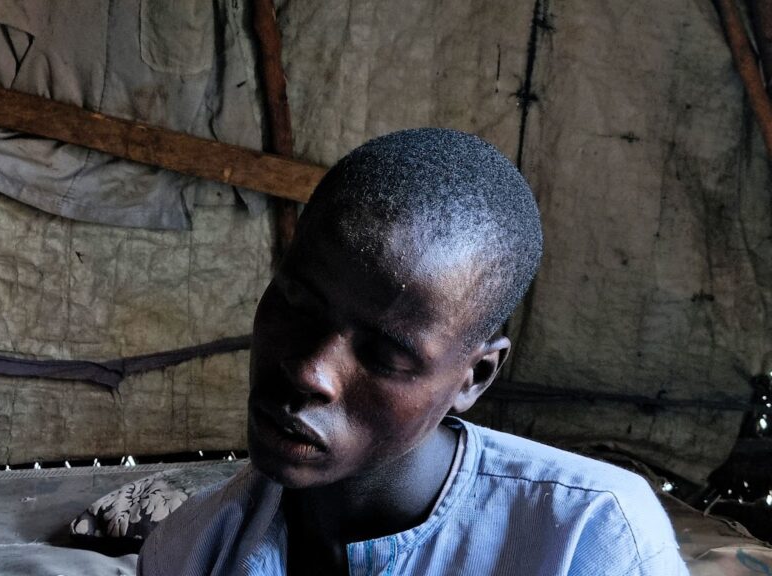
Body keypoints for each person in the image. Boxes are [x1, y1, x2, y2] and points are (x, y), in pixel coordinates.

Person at [137, 128, 688, 575]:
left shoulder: (592, 538)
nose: (309, 371)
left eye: (385, 352)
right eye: (298, 305)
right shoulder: (188, 551)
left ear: (474, 377)